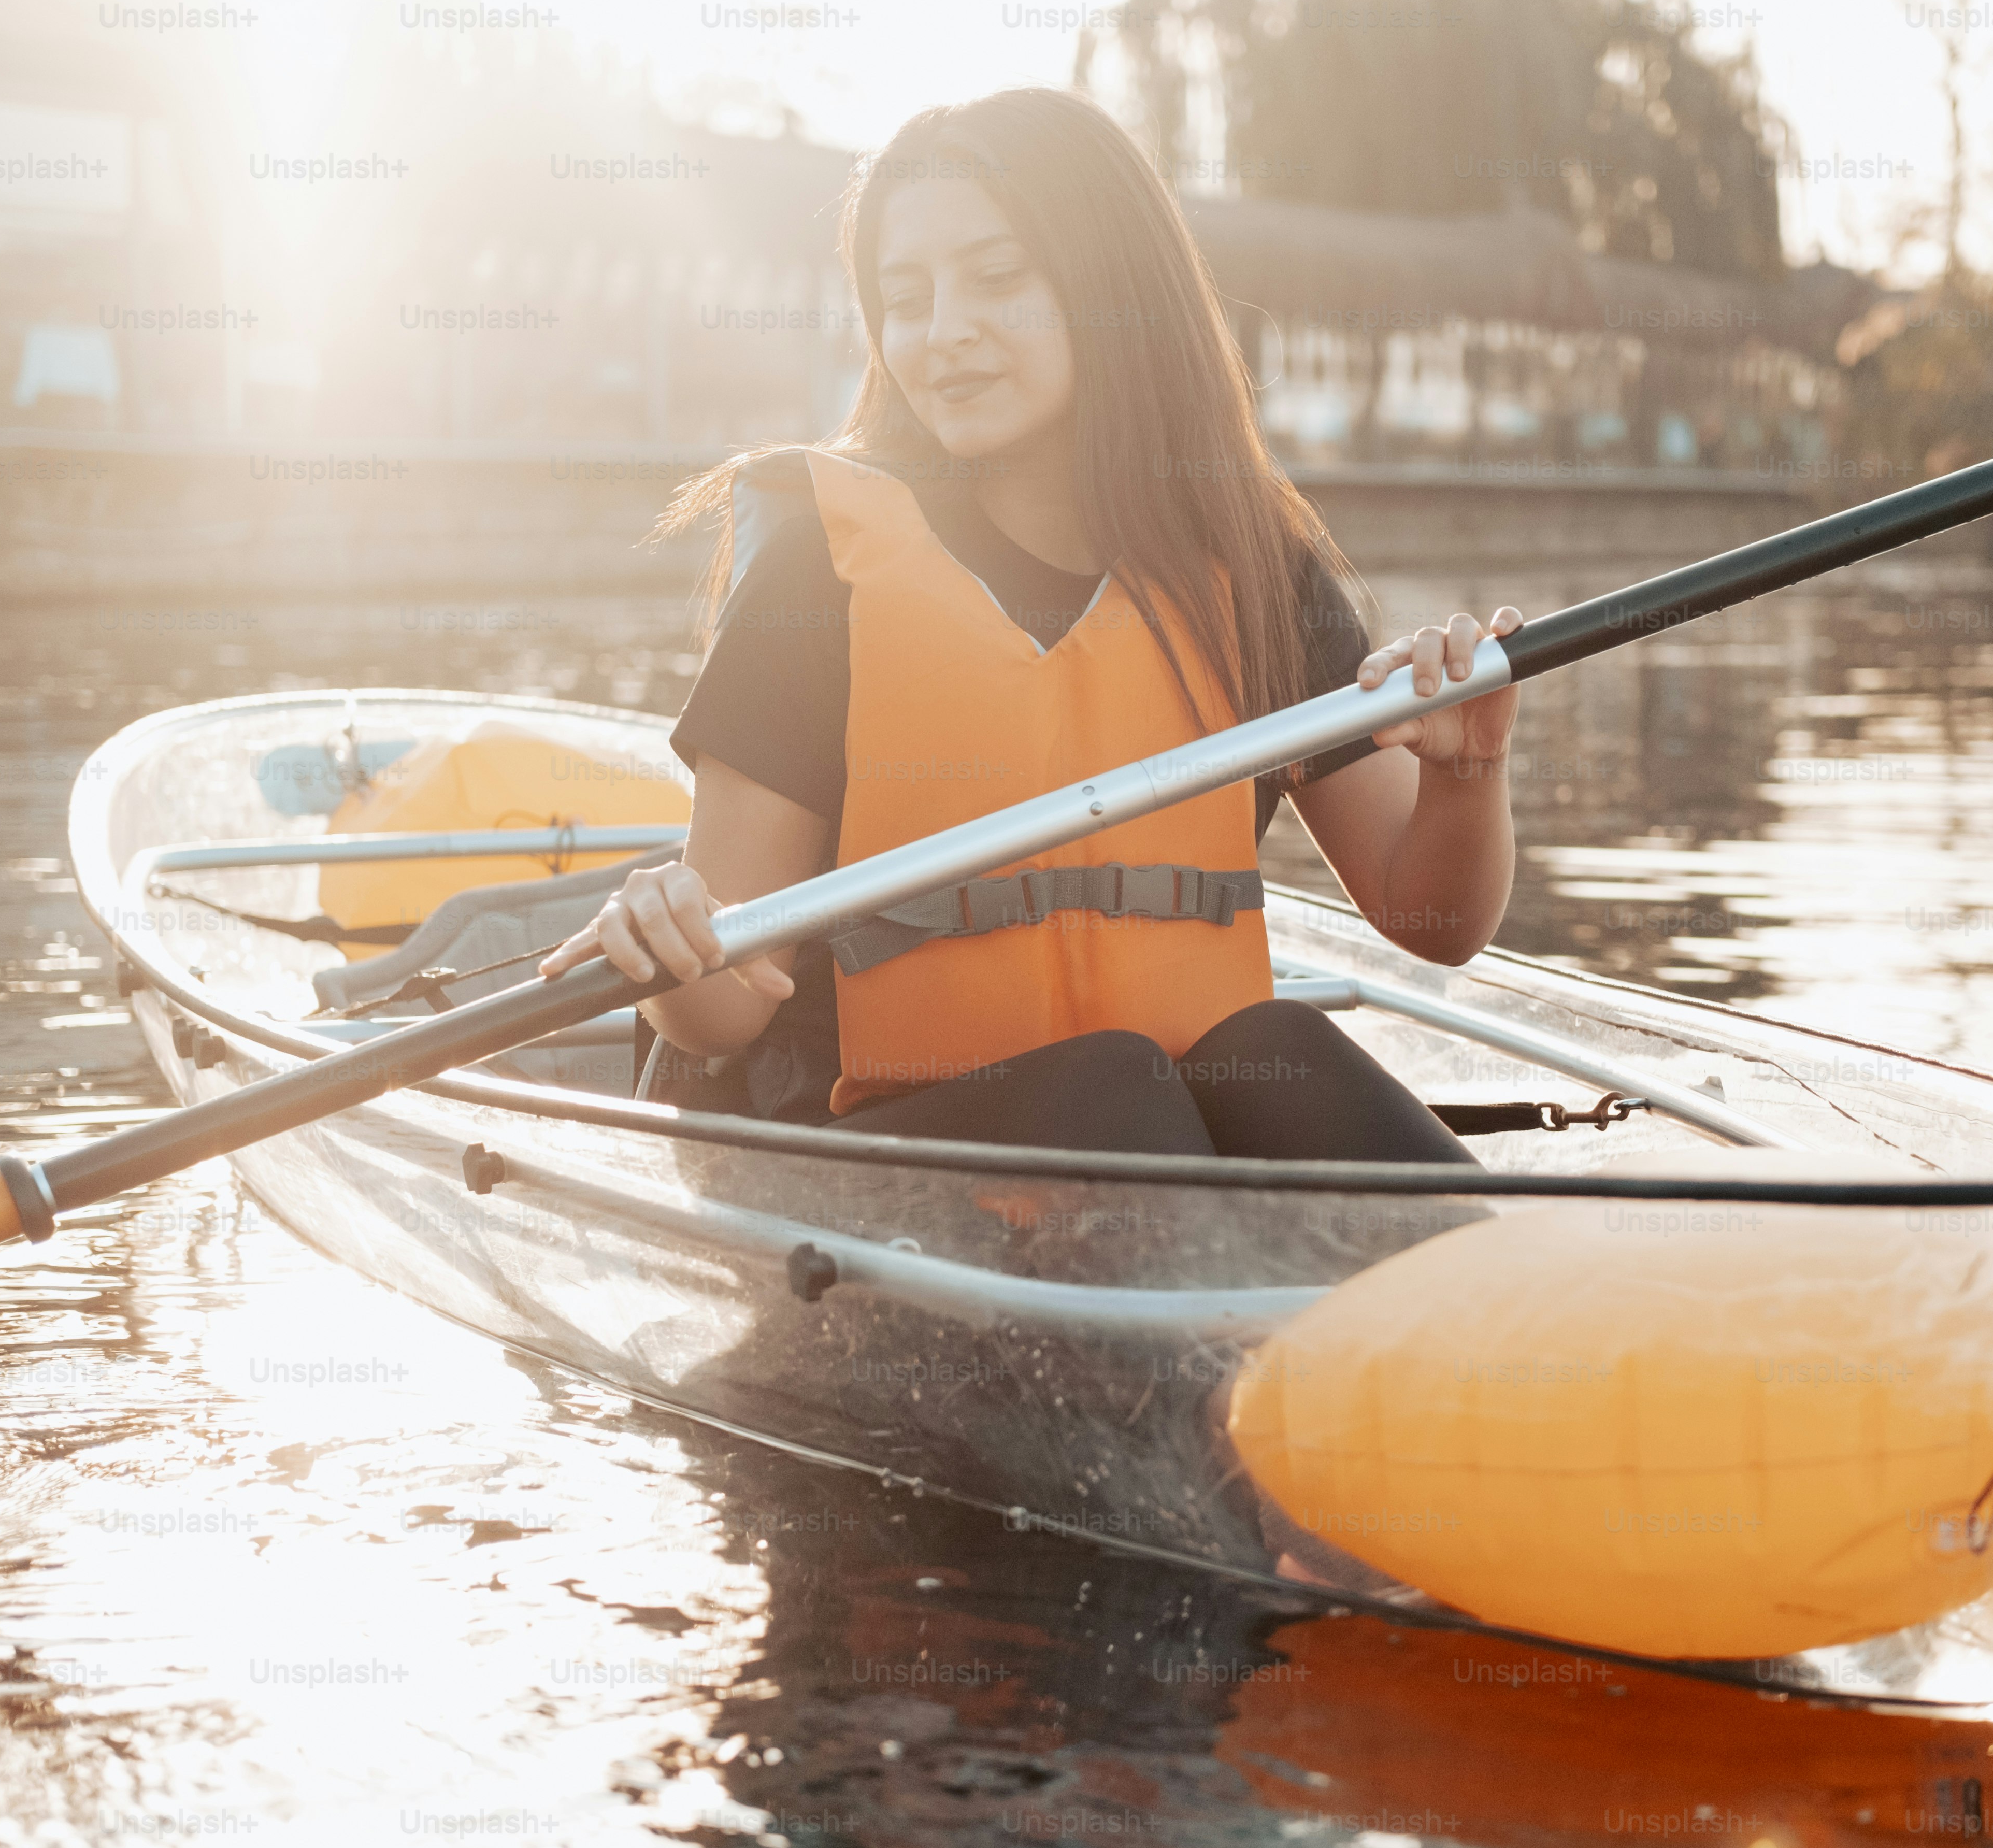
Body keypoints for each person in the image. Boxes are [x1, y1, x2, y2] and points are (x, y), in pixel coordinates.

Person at [539, 88, 1519, 1161]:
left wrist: (1467, 777)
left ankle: (1482, 1304)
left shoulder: (1247, 562)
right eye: (904, 297)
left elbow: (1436, 924)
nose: (942, 332)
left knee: (1282, 1045)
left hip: (1142, 1136)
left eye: (997, 279)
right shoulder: (822, 567)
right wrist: (669, 952)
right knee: (1113, 1081)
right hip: (853, 1152)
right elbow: (723, 1005)